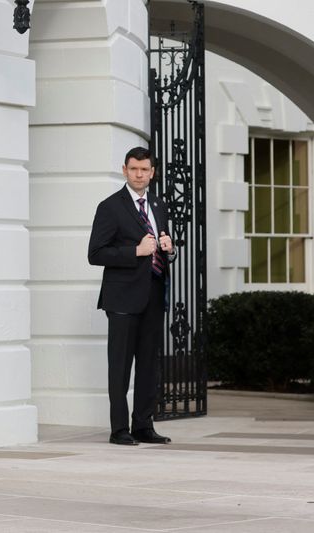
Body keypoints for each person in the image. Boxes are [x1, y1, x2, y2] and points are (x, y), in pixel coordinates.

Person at [88, 146, 175, 446]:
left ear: (153, 173)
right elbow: (95, 253)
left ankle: (143, 425)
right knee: (121, 365)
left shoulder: (159, 206)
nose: (139, 174)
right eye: (134, 169)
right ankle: (119, 429)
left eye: (145, 169)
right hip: (122, 298)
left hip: (153, 292)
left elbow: (159, 245)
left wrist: (169, 249)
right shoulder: (110, 207)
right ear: (124, 170)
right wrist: (134, 251)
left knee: (149, 363)